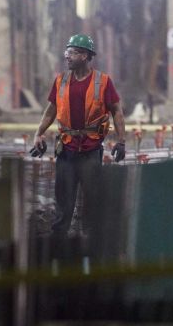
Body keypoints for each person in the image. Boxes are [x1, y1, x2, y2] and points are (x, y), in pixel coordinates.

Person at [32, 33, 127, 240]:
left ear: (85, 55)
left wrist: (121, 141)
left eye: (72, 52)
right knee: (63, 199)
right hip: (66, 149)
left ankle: (91, 242)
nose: (67, 56)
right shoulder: (61, 80)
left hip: (91, 150)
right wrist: (38, 134)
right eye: (67, 52)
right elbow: (51, 110)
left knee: (92, 198)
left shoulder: (103, 81)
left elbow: (116, 111)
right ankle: (59, 243)